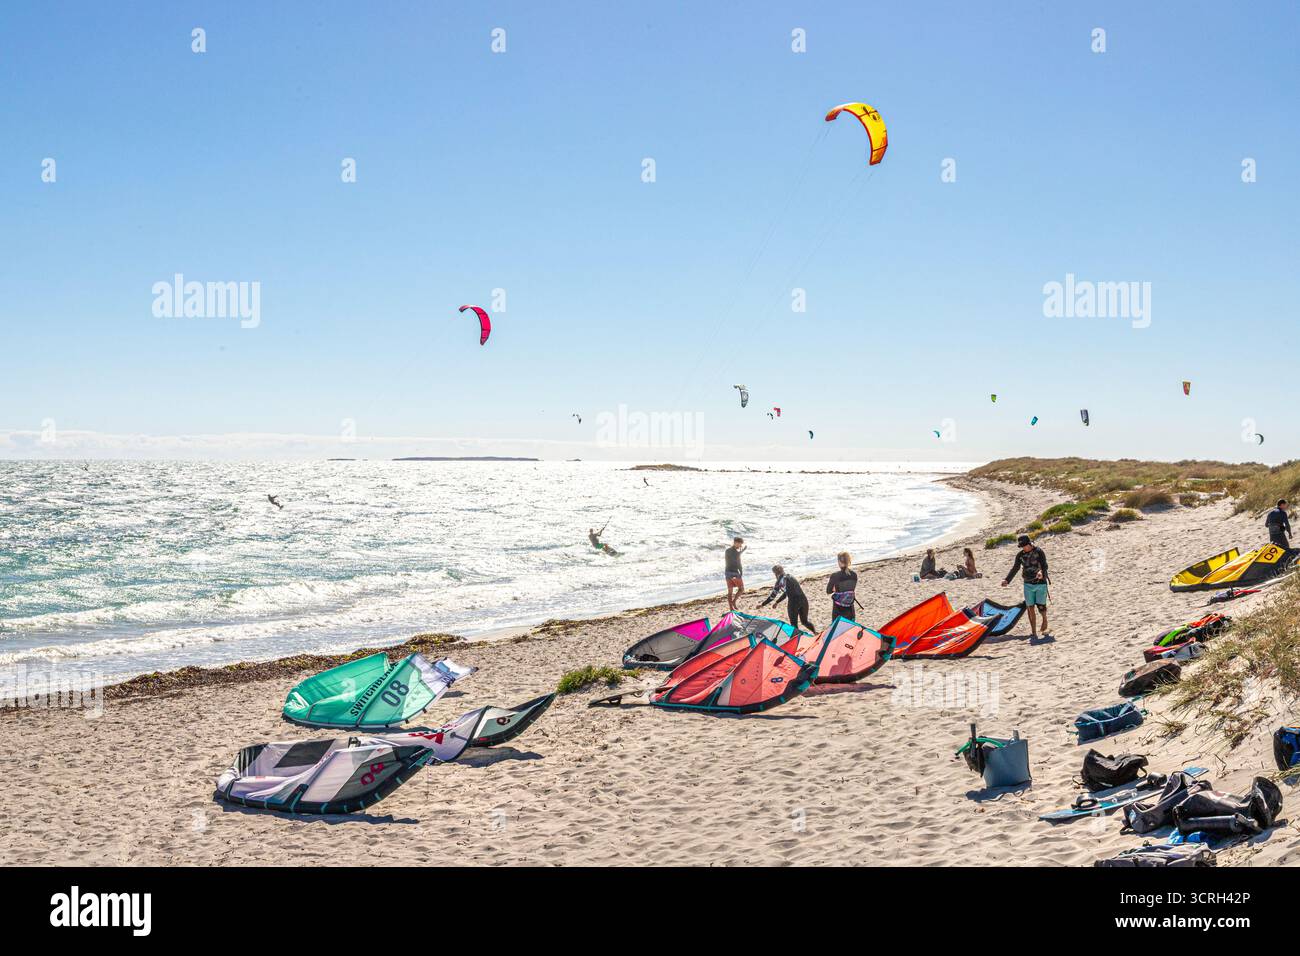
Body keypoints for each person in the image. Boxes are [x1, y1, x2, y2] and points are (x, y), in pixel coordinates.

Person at [1001, 534, 1050, 637]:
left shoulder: (1039, 551)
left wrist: (1041, 573)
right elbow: (1015, 568)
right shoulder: (1020, 555)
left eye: (1025, 546)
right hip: (1027, 584)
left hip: (1040, 583)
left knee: (1041, 606)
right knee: (1030, 607)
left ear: (1029, 543)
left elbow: (1045, 565)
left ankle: (1045, 620)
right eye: (1022, 546)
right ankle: (1033, 631)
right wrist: (1007, 580)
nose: (1024, 548)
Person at [757, 564, 815, 632]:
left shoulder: (779, 582)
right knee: (805, 622)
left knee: (793, 624)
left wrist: (762, 604)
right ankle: (815, 633)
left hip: (793, 603)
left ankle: (797, 639)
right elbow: (787, 592)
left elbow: (772, 596)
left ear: (775, 573)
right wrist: (777, 602)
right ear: (782, 570)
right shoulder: (791, 577)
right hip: (803, 600)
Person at [826, 551, 858, 621]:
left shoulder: (835, 576)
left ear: (839, 562)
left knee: (838, 630)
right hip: (850, 609)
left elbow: (828, 591)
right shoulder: (854, 575)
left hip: (838, 610)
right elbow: (850, 589)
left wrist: (835, 589)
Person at [724, 537, 746, 610]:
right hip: (734, 573)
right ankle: (733, 602)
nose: (740, 546)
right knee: (741, 589)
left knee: (730, 591)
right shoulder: (736, 552)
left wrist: (740, 552)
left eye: (741, 544)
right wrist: (741, 571)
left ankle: (731, 608)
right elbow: (738, 562)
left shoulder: (727, 551)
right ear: (735, 542)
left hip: (727, 572)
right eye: (739, 544)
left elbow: (732, 559)